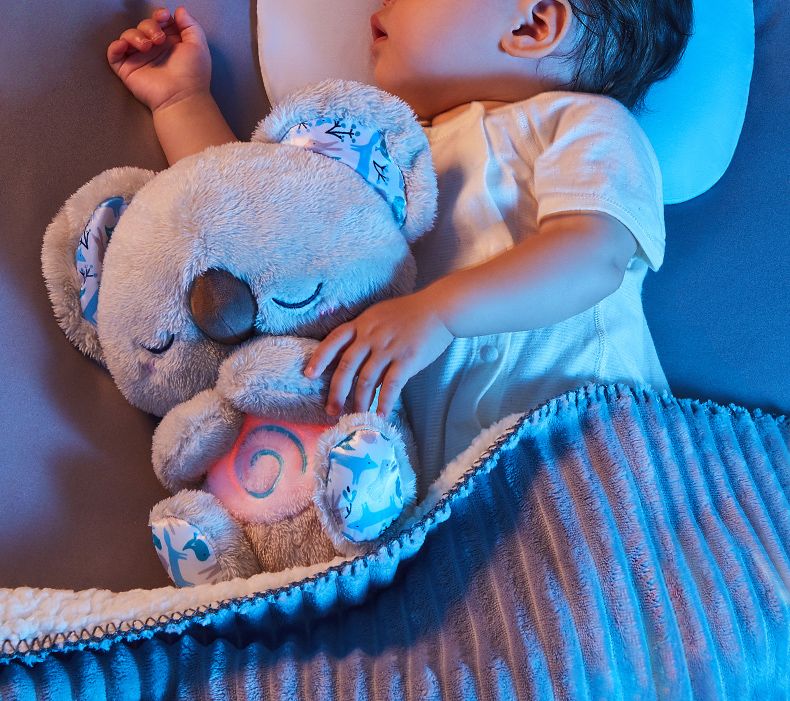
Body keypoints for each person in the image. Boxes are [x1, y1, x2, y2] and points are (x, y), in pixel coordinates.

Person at [107, 1, 692, 483]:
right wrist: (182, 101)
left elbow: (593, 256)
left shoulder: (582, 123)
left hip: (590, 453)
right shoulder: (379, 155)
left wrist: (438, 313)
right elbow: (256, 231)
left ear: (532, 25)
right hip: (447, 503)